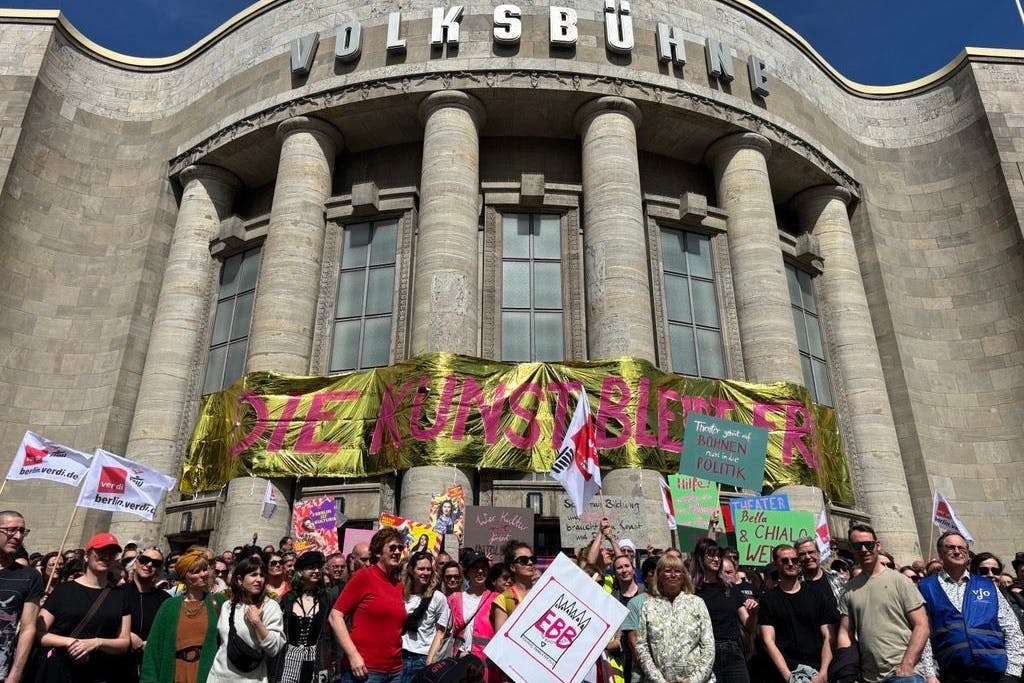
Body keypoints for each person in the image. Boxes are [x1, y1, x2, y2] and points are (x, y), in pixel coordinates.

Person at [918, 532, 1024, 683]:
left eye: (962, 548)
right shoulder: (926, 587)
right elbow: (924, 635)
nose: (957, 551)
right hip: (954, 674)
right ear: (940, 553)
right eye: (950, 547)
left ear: (968, 554)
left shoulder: (987, 586)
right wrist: (930, 674)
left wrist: (1012, 673)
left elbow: (1012, 629)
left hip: (998, 673)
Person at [837, 523, 932, 683]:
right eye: (857, 546)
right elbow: (845, 633)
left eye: (868, 545)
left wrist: (907, 665)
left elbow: (922, 625)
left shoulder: (900, 581)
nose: (864, 550)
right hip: (869, 677)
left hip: (904, 675)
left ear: (877, 545)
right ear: (851, 548)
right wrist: (847, 670)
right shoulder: (848, 589)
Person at [36, 532, 131, 683]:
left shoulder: (120, 596)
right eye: (100, 552)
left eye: (112, 553)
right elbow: (40, 633)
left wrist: (96, 643)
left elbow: (124, 642)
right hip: (59, 671)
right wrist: (71, 643)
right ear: (87, 556)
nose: (106, 557)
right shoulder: (63, 590)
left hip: (99, 674)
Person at [330, 527, 407, 683]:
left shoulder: (398, 585)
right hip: (364, 670)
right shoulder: (364, 576)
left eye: (400, 548)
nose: (397, 552)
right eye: (392, 547)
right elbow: (335, 616)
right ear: (378, 552)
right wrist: (353, 655)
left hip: (395, 671)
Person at [140, 549, 225, 683]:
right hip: (175, 673)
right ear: (185, 576)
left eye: (204, 569)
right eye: (196, 571)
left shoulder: (219, 602)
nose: (203, 574)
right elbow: (153, 650)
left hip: (208, 674)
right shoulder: (169, 606)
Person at [758, 544, 836, 683]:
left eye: (794, 560)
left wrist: (823, 673)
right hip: (786, 673)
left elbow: (828, 636)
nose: (791, 564)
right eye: (785, 560)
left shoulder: (818, 596)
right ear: (776, 564)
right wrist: (788, 676)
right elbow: (768, 640)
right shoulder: (768, 600)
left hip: (817, 672)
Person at [634, 553, 715, 683]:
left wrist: (695, 680)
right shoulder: (648, 606)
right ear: (659, 575)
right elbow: (642, 647)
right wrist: (659, 680)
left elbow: (708, 645)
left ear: (683, 576)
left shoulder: (697, 603)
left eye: (678, 571)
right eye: (667, 571)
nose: (673, 575)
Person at [207, 556, 285, 682]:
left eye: (262, 575)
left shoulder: (271, 607)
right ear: (239, 580)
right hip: (218, 677)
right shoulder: (228, 606)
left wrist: (257, 623)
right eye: (253, 575)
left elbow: (274, 649)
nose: (259, 579)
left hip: (252, 679)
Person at [690, 538, 756, 683]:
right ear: (700, 558)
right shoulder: (692, 591)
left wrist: (754, 613)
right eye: (711, 555)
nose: (716, 559)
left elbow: (748, 625)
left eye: (718, 555)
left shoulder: (730, 588)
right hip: (705, 653)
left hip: (733, 651)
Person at [275, 551, 334, 683]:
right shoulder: (288, 599)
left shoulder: (327, 598)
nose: (317, 570)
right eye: (311, 567)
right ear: (300, 572)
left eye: (318, 567)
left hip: (317, 658)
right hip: (290, 657)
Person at [0, 510, 41, 683]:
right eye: (11, 530)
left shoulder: (30, 576)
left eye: (22, 531)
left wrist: (15, 674)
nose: (18, 536)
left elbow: (28, 628)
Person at [448, 551, 499, 682]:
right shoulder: (455, 599)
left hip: (484, 665)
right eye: (475, 568)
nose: (480, 571)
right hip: (459, 661)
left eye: (484, 568)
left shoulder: (496, 599)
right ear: (467, 572)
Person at [123, 547, 171, 683]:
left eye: (155, 563)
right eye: (145, 560)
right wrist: (127, 635)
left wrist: (150, 644)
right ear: (136, 562)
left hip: (150, 667)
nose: (149, 565)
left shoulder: (165, 600)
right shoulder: (118, 593)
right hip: (119, 665)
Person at [401, 551, 450, 683]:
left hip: (422, 657)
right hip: (400, 655)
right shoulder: (401, 593)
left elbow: (441, 631)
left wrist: (430, 660)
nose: (425, 573)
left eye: (428, 569)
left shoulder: (438, 597)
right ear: (411, 570)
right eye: (421, 569)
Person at [621, 556, 658, 683]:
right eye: (653, 573)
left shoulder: (675, 601)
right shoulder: (635, 604)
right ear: (645, 578)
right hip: (644, 677)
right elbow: (635, 647)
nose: (658, 577)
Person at [490, 541, 536, 633]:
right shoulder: (504, 599)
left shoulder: (544, 591)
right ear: (512, 567)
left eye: (532, 559)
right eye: (523, 560)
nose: (530, 563)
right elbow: (500, 638)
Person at [794, 537, 846, 603]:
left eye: (811, 552)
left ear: (819, 554)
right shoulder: (795, 585)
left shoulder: (836, 576)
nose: (807, 557)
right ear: (798, 558)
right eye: (802, 554)